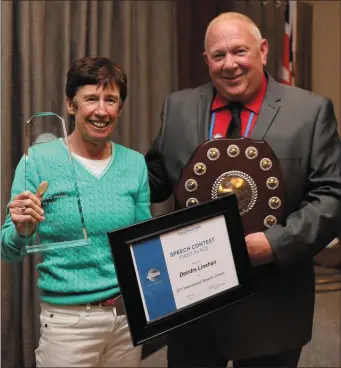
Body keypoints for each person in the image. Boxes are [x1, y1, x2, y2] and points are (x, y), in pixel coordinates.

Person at [146, 12, 341, 368]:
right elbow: (156, 178)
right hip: (194, 307)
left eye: (240, 51)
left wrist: (276, 243)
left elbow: (331, 197)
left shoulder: (310, 112)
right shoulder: (179, 107)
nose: (230, 64)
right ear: (206, 60)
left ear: (263, 51)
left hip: (272, 307)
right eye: (218, 55)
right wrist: (94, 167)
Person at [1, 57, 151, 367]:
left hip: (126, 321)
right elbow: (8, 251)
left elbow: (143, 242)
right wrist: (22, 229)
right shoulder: (38, 161)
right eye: (91, 99)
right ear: (71, 104)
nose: (101, 110)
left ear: (120, 108)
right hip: (68, 325)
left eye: (110, 100)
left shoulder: (135, 163)